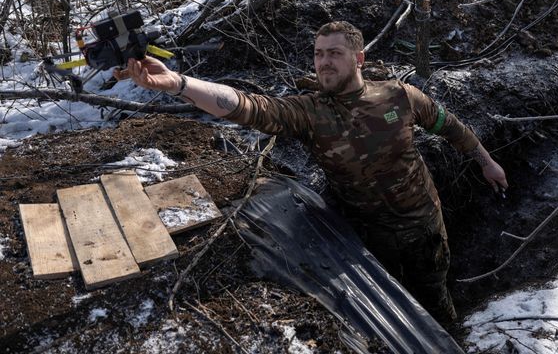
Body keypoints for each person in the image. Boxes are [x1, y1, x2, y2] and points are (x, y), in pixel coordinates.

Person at [116, 21, 508, 324]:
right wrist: (179, 83)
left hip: (423, 224)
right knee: (388, 310)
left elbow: (450, 126)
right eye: (319, 54)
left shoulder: (399, 95)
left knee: (436, 301)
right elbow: (247, 106)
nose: (323, 62)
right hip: (365, 239)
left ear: (359, 59)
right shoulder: (309, 112)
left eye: (334, 53)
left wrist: (486, 162)